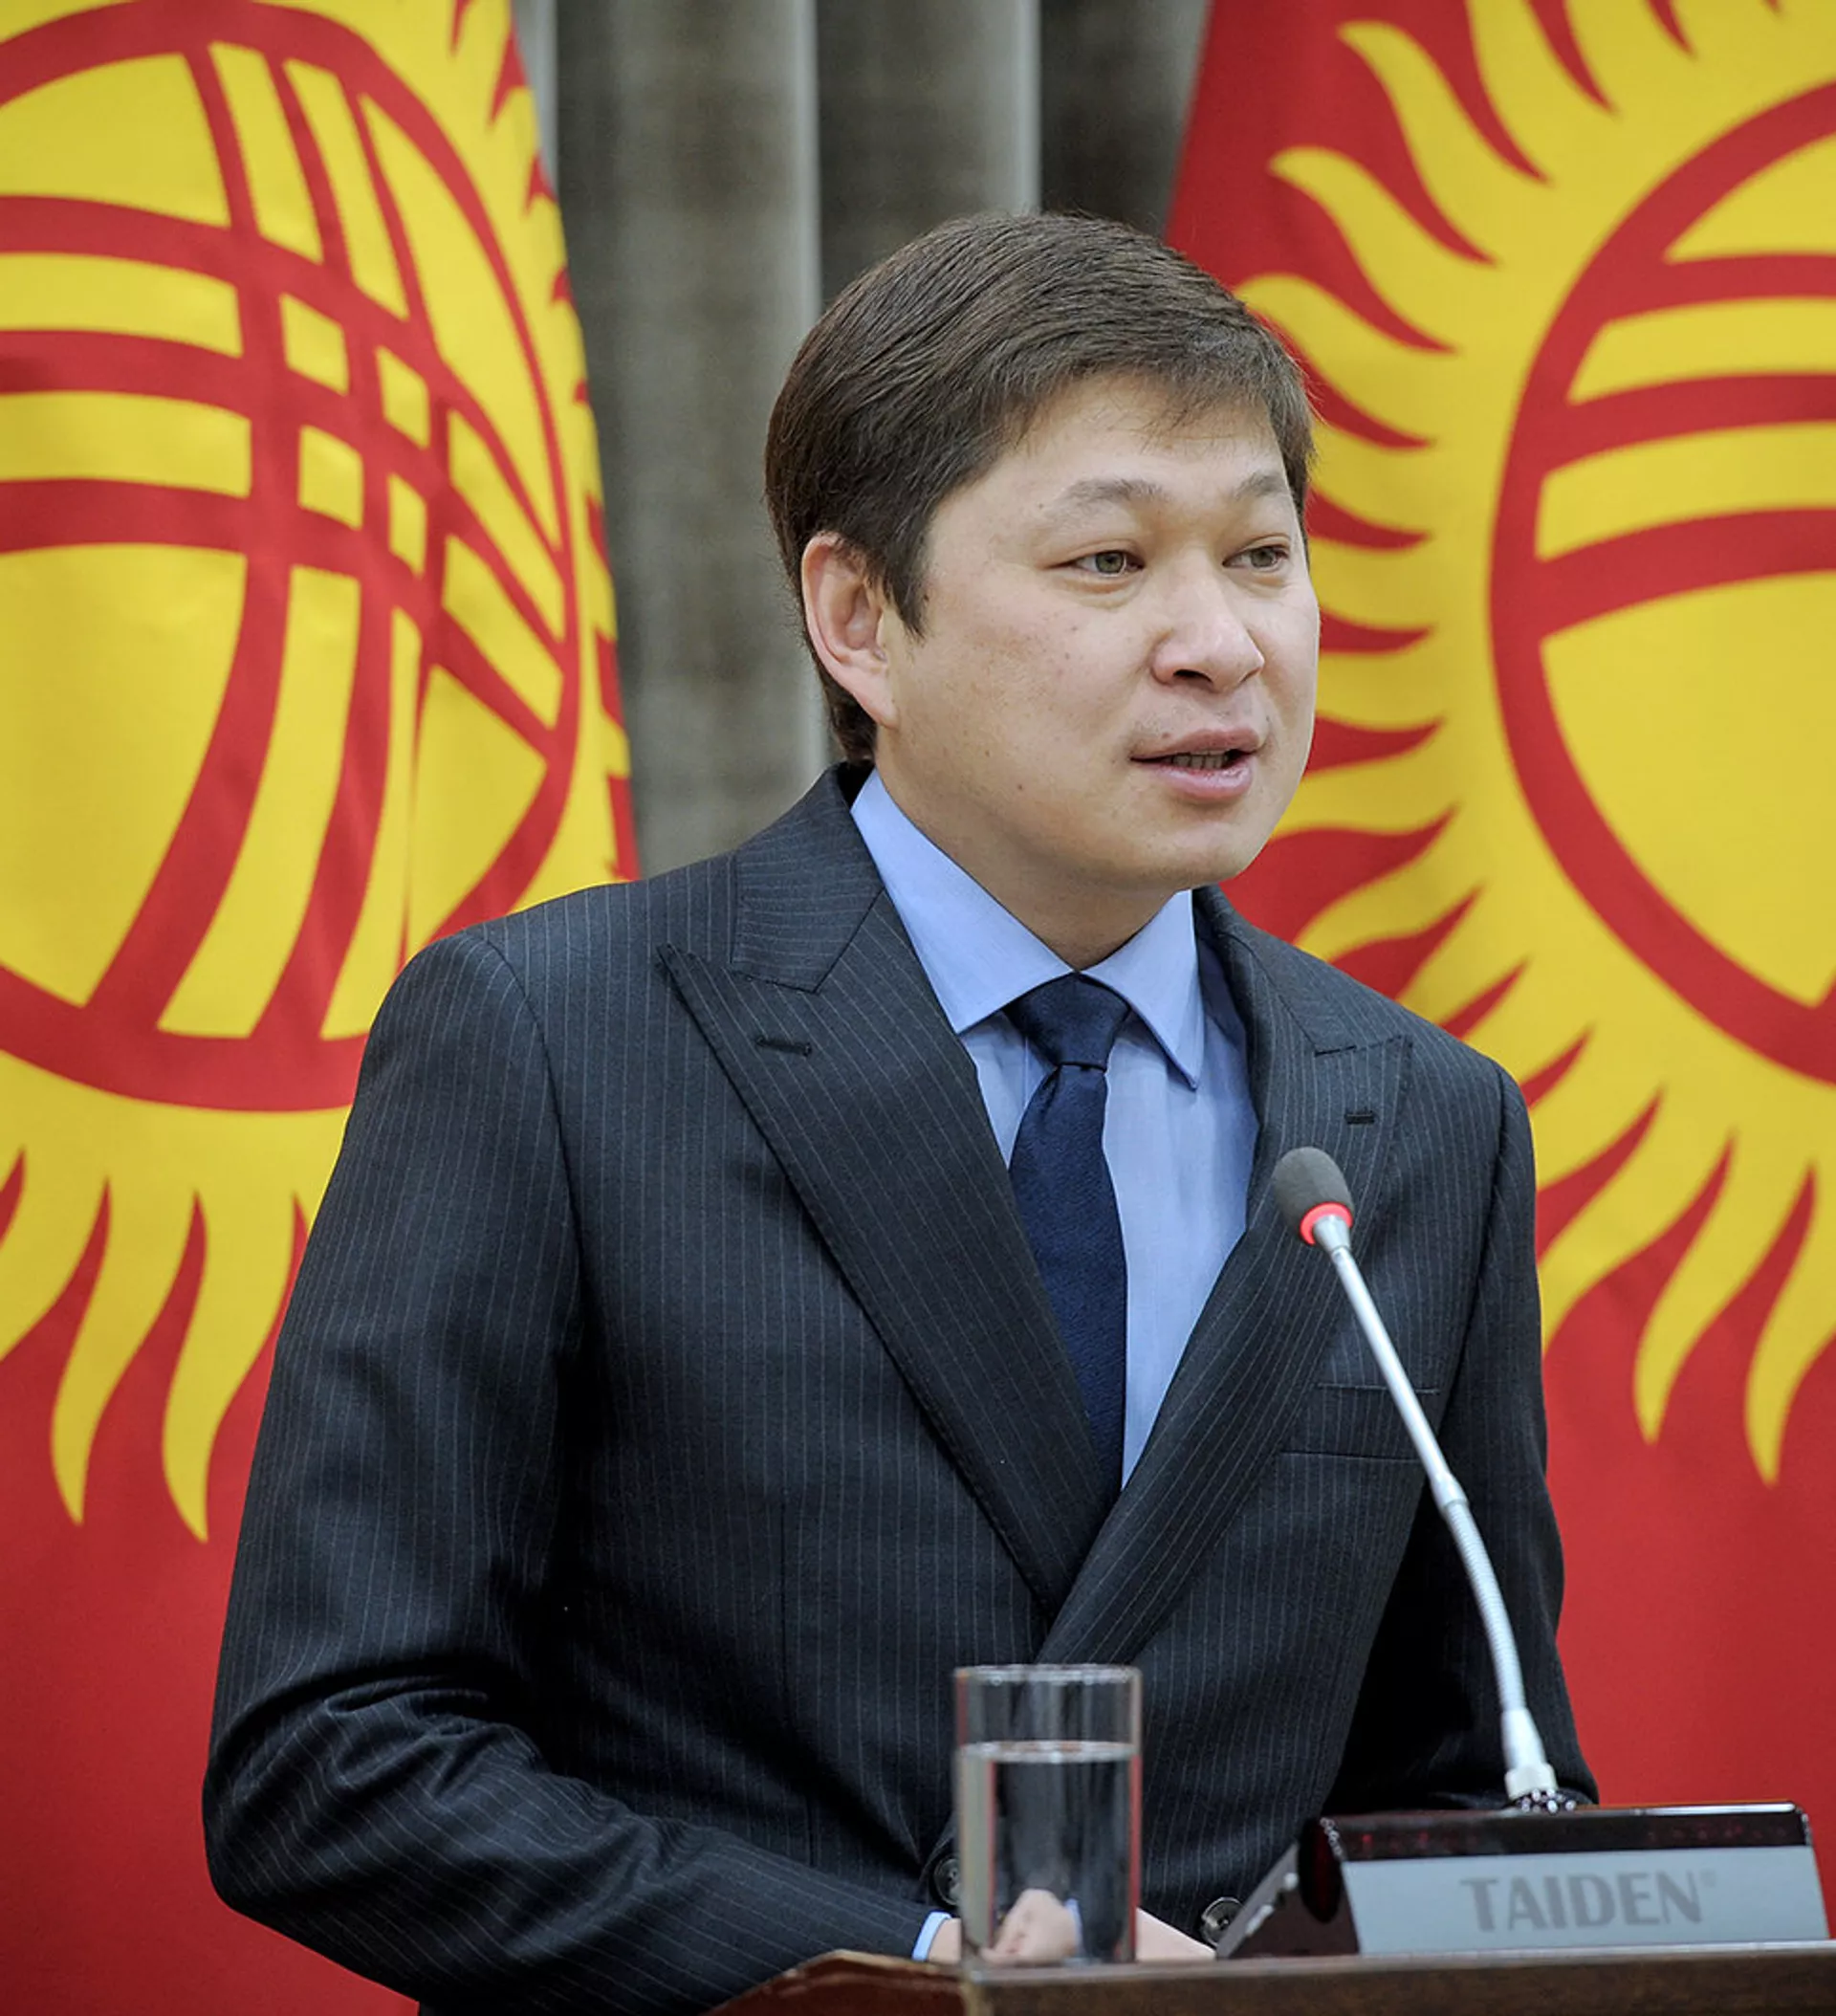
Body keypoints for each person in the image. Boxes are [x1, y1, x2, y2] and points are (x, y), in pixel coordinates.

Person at [205, 211, 1591, 2014]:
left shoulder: (1422, 1123)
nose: (1221, 644)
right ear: (859, 617)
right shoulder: (553, 1042)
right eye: (1110, 562)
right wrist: (918, 1970)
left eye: (1263, 554)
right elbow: (335, 1761)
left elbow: (1470, 1791)